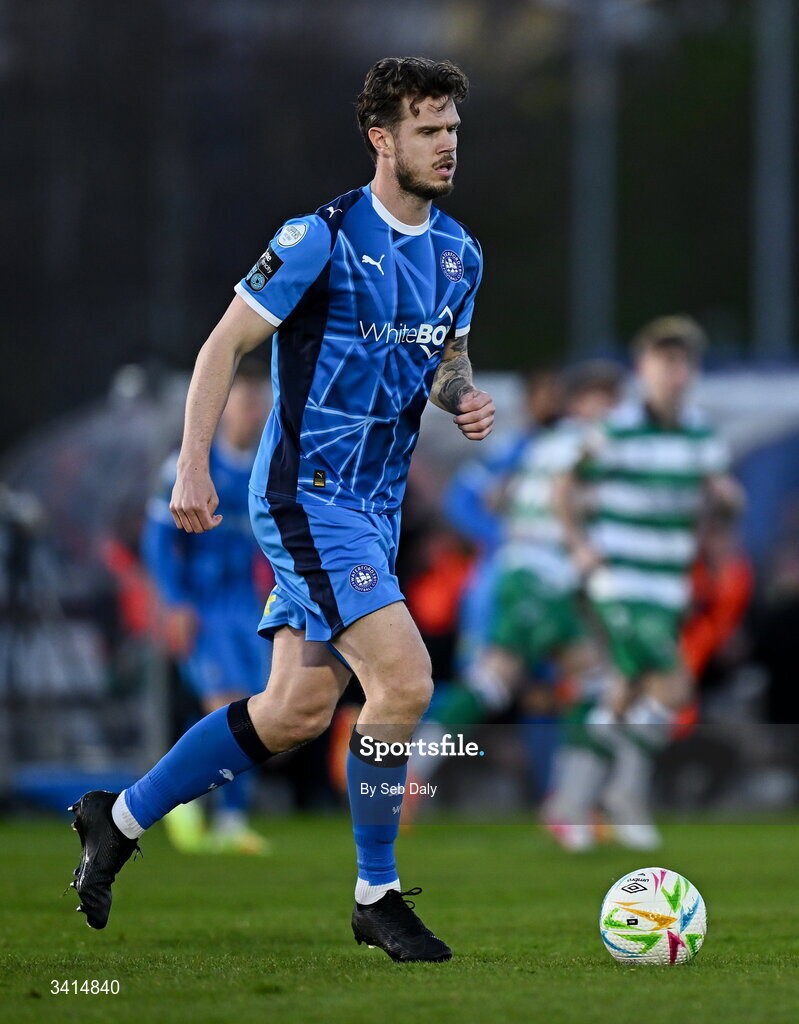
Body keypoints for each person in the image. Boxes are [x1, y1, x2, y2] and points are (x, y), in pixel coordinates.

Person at [68, 56, 494, 963]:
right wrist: (191, 468)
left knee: (296, 709)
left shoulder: (460, 253)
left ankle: (119, 816)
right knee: (406, 682)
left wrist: (462, 396)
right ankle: (375, 894)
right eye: (428, 129)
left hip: (373, 510)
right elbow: (221, 347)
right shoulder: (319, 238)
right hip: (306, 499)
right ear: (382, 140)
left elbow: (447, 361)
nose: (447, 143)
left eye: (452, 127)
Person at [548, 316, 742, 850]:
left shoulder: (701, 433)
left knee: (621, 694)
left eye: (682, 362)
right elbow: (564, 486)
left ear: (693, 370)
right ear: (644, 368)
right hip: (620, 582)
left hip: (668, 585)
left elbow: (718, 497)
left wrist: (727, 513)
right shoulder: (618, 426)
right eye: (663, 360)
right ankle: (623, 795)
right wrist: (580, 546)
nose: (673, 372)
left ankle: (572, 801)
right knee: (673, 686)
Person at [140, 360, 272, 854]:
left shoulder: (267, 464)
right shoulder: (190, 464)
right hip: (204, 607)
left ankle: (202, 809)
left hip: (249, 608)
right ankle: (206, 812)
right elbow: (156, 540)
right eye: (241, 400)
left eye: (258, 401)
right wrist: (174, 601)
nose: (251, 411)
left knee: (259, 717)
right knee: (226, 707)